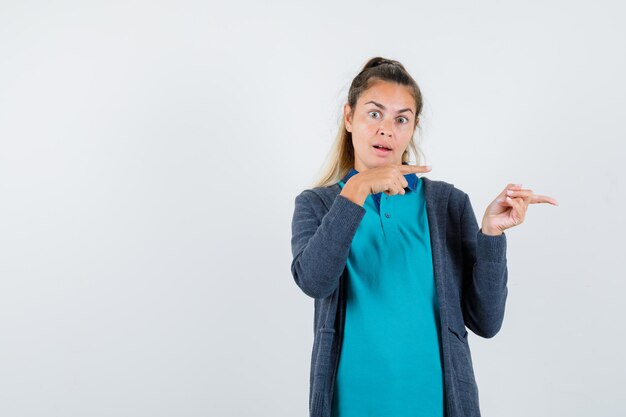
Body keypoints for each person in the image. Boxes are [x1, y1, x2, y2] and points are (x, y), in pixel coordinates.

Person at [290, 57, 558, 417]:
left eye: (401, 118)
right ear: (349, 117)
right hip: (350, 405)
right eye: (374, 114)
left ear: (413, 128)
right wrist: (355, 191)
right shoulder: (318, 204)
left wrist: (491, 235)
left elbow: (486, 322)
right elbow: (314, 281)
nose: (387, 129)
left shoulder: (448, 204)